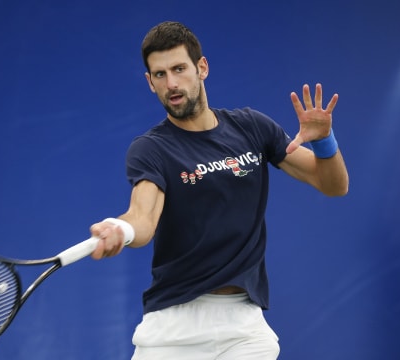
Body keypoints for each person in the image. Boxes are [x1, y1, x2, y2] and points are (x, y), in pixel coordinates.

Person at [88, 21, 349, 360]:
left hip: (243, 328)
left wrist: (325, 140)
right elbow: (143, 217)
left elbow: (333, 184)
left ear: (202, 68)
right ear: (149, 83)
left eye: (179, 69)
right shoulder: (151, 149)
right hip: (172, 327)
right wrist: (120, 229)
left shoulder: (252, 128)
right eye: (160, 75)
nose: (172, 84)